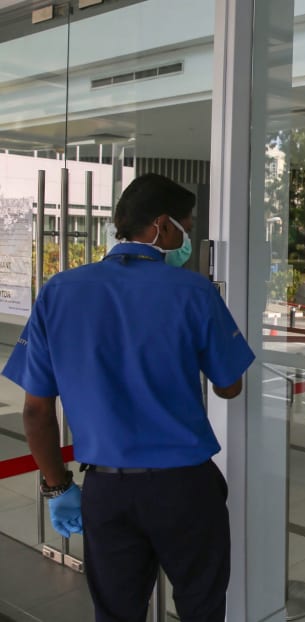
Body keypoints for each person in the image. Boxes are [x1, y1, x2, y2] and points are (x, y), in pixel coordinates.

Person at [2, 173, 255, 622]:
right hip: (185, 489)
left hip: (107, 492)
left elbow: (36, 411)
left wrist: (58, 486)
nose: (187, 236)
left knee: (116, 613)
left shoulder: (58, 292)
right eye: (186, 224)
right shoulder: (193, 291)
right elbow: (229, 385)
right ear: (160, 226)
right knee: (201, 606)